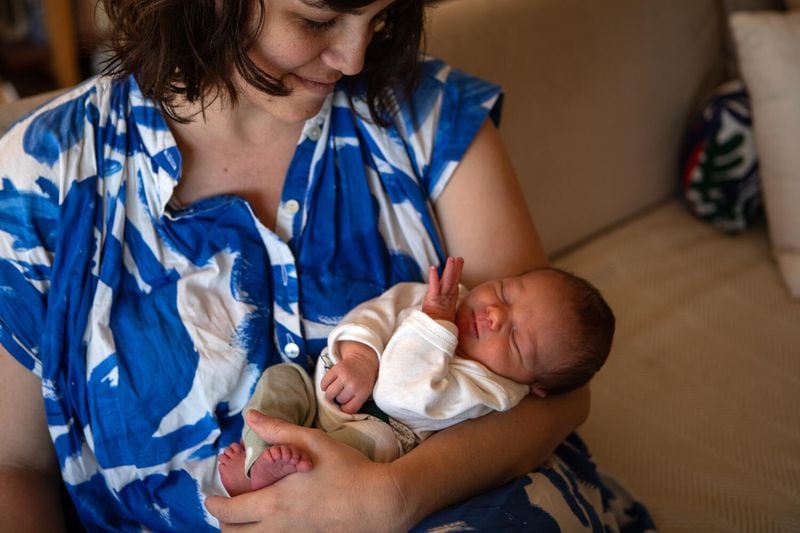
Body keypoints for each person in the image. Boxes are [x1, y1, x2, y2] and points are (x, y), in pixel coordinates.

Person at [0, 0, 634, 530]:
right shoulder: (42, 176)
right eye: (316, 17)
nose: (355, 59)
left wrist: (391, 498)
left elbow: (555, 392)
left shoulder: (426, 113)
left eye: (379, 14)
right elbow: (14, 468)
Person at [218, 256, 615, 496]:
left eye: (514, 339)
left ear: (533, 385)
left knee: (353, 453)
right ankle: (255, 464)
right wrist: (360, 357)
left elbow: (400, 396)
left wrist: (436, 324)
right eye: (507, 293)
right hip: (324, 387)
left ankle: (283, 479)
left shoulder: (488, 390)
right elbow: (377, 313)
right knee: (281, 379)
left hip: (369, 433)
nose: (495, 315)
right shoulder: (446, 296)